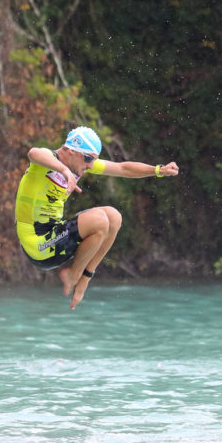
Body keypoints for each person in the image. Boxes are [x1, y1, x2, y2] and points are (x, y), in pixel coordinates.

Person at [15, 126, 179, 310]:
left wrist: (158, 170)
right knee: (100, 220)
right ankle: (72, 275)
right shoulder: (46, 161)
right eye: (88, 159)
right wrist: (64, 170)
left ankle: (84, 278)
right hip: (37, 245)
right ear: (71, 151)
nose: (90, 165)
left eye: (93, 160)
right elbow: (33, 153)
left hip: (56, 237)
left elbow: (123, 168)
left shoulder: (80, 165)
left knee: (113, 217)